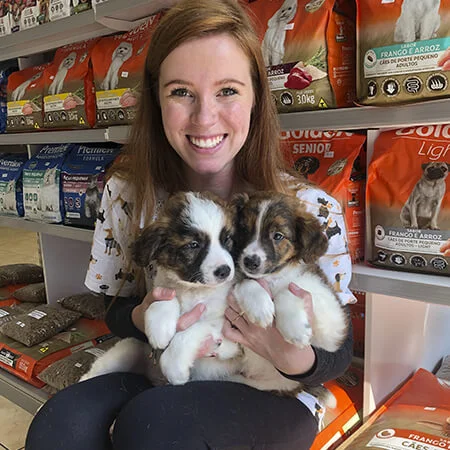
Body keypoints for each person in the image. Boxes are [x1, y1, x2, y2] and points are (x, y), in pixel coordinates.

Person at [26, 1, 355, 449]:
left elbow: (336, 353)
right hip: (172, 358)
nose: (204, 117)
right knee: (58, 428)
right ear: (156, 97)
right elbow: (117, 309)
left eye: (228, 90)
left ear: (257, 96)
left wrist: (286, 353)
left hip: (271, 380)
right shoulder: (127, 194)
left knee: (157, 426)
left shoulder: (306, 209)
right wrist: (144, 316)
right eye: (181, 91)